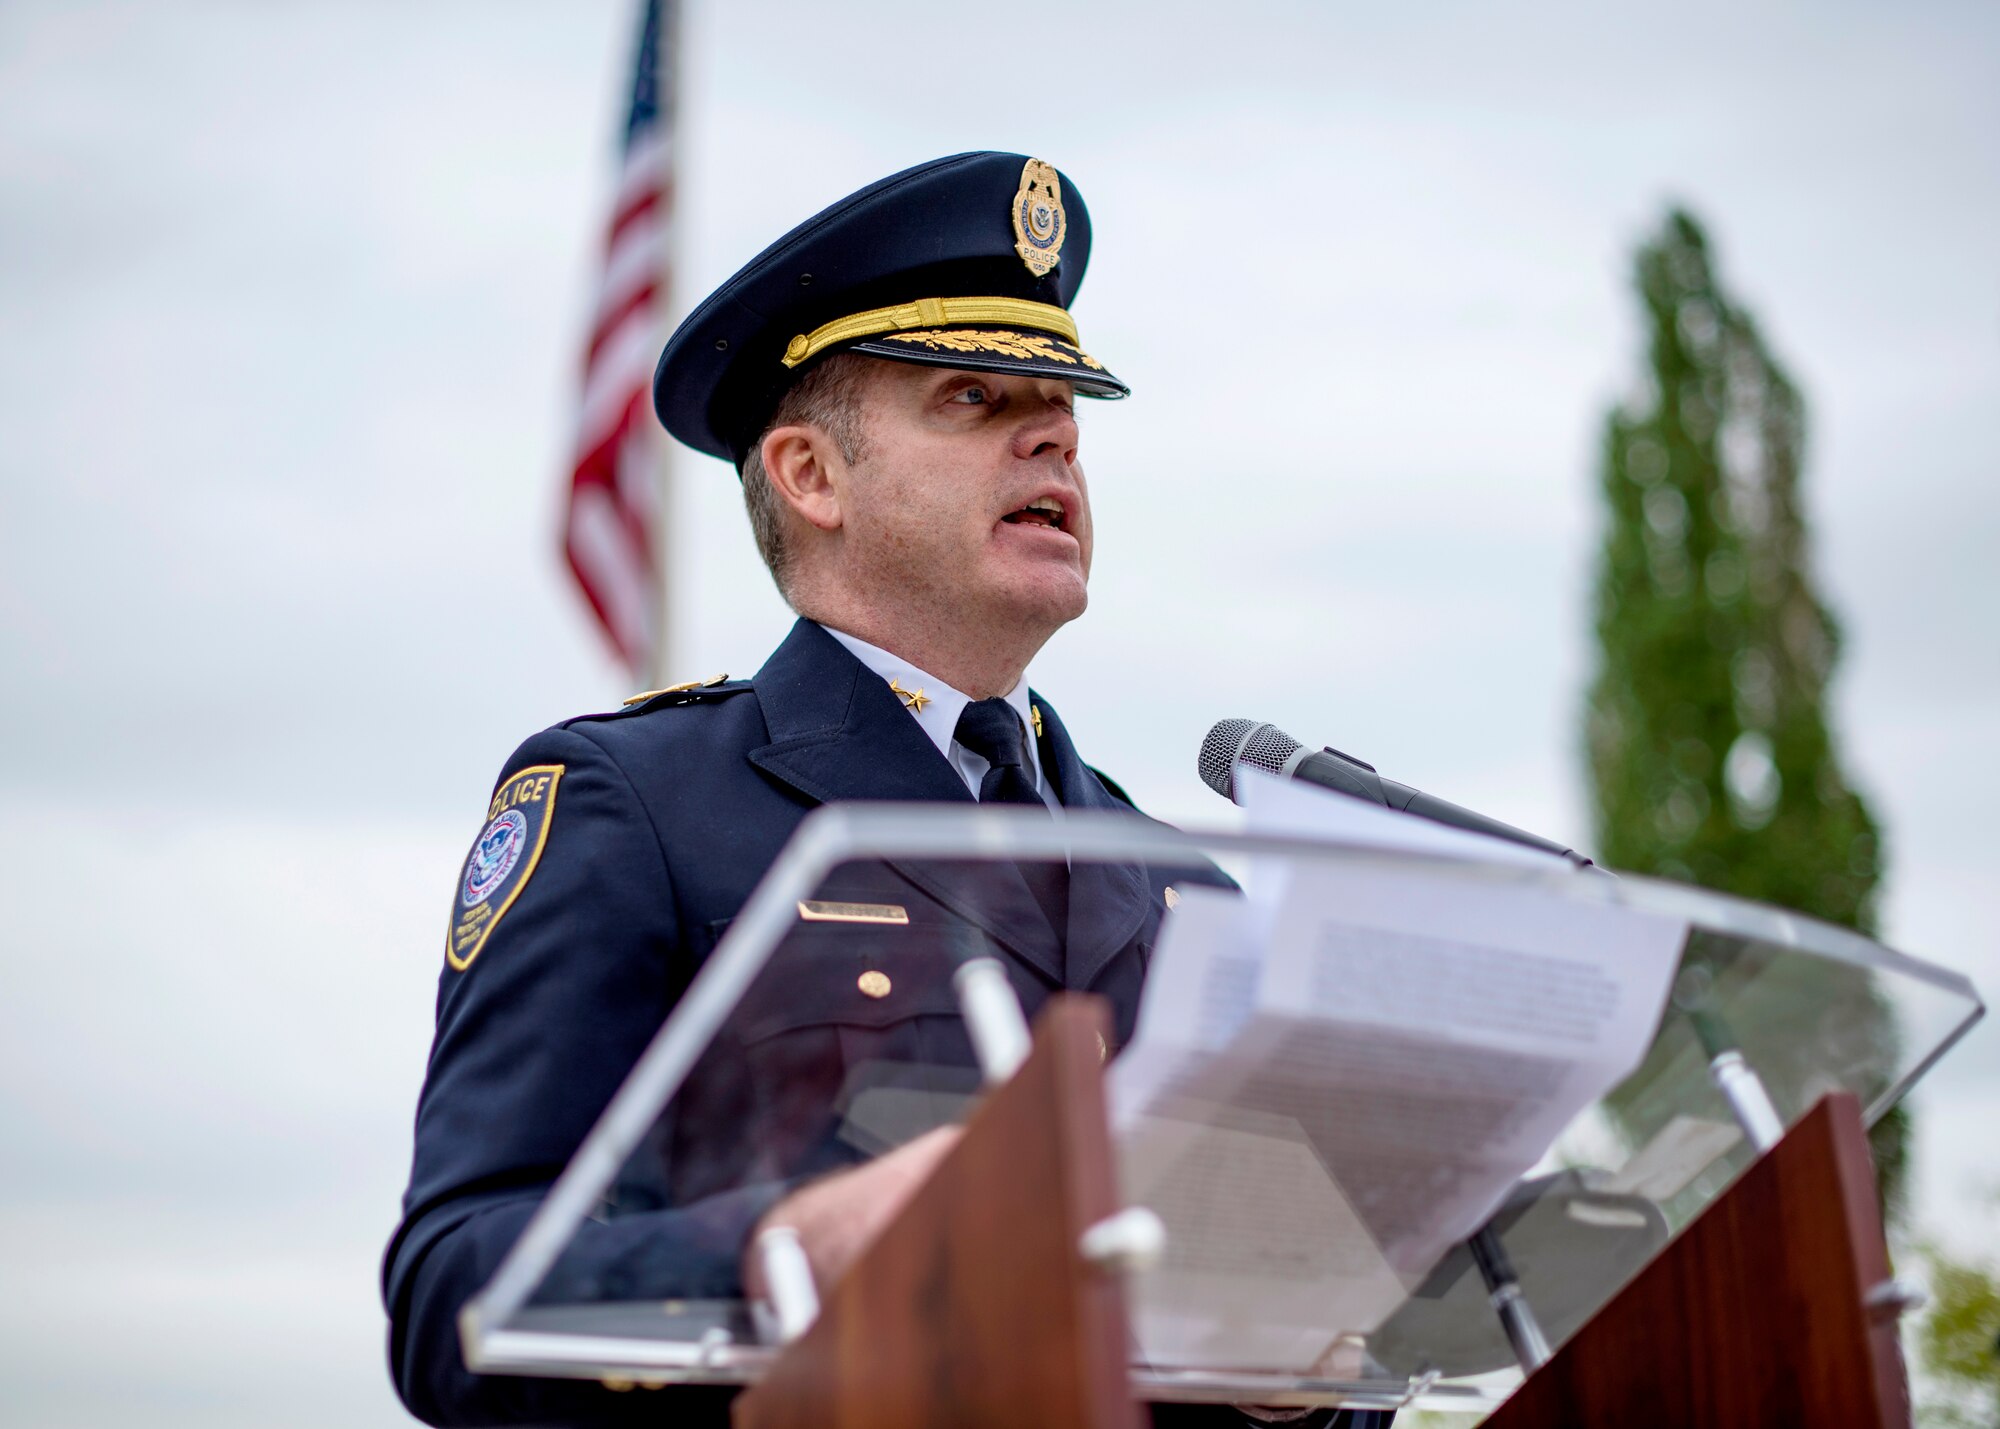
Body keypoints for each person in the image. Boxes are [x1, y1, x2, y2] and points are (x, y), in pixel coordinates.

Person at [383, 151, 1386, 1429]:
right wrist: (775, 1253)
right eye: (974, 395)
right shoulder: (632, 804)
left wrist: (1307, 1384)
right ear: (810, 475)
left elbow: (1334, 1362)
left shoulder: (1180, 879)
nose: (1054, 433)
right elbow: (451, 1294)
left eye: (1065, 403)